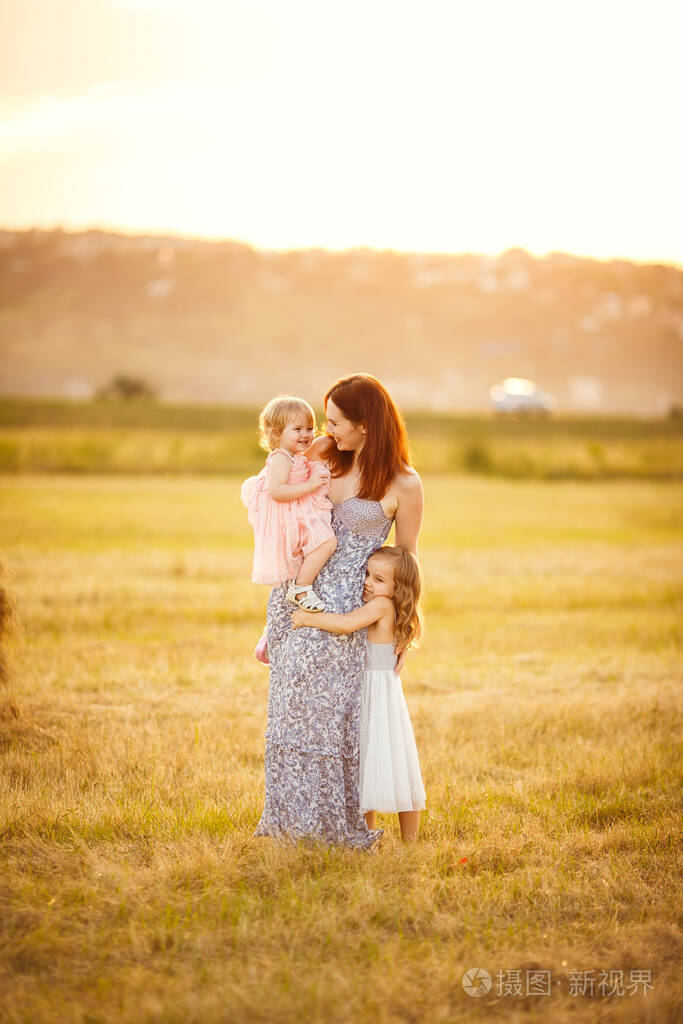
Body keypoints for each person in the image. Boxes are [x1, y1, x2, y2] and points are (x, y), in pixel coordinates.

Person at [253, 374, 424, 849]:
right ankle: (292, 825)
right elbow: (278, 491)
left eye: (335, 422)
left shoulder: (405, 484)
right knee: (293, 713)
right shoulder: (322, 454)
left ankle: (341, 827)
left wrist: (403, 632)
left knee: (341, 721)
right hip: (298, 599)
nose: (325, 430)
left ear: (366, 425)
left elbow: (407, 562)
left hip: (353, 611)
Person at [292, 545, 426, 841]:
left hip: (373, 694)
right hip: (384, 695)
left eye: (379, 579)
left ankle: (386, 837)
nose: (368, 582)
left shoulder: (381, 606)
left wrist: (306, 618)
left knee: (371, 762)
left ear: (397, 589)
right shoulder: (392, 608)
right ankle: (387, 838)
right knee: (385, 763)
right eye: (368, 574)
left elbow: (347, 624)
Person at [241, 396, 337, 612]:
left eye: (310, 428)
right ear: (276, 433)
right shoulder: (281, 458)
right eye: (298, 429)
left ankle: (302, 585)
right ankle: (301, 587)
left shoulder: (294, 456)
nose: (306, 434)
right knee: (327, 543)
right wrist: (310, 486)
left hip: (299, 511)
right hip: (290, 516)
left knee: (322, 544)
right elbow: (277, 491)